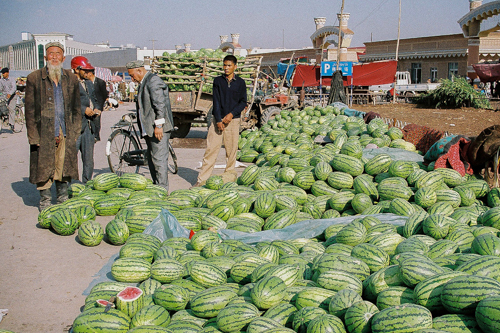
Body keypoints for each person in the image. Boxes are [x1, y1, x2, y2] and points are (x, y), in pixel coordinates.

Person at [24, 42, 81, 211]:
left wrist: (75, 130)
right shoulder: (34, 78)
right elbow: (29, 111)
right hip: (44, 132)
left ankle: (62, 199)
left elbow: (77, 107)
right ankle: (45, 201)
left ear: (63, 58)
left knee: (63, 165)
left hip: (65, 130)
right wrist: (34, 136)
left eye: (58, 54)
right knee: (44, 166)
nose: (54, 57)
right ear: (45, 57)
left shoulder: (71, 78)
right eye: (51, 54)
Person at [193, 55, 247, 187]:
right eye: (224, 65)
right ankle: (201, 180)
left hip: (233, 121)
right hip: (217, 121)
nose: (226, 68)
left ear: (235, 66)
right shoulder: (218, 81)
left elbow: (242, 102)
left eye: (229, 65)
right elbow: (216, 101)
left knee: (231, 152)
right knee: (211, 150)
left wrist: (231, 114)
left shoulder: (240, 82)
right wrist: (218, 119)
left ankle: (229, 180)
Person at [126, 60, 174, 190]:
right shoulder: (144, 82)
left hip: (158, 129)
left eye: (132, 75)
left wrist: (159, 126)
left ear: (140, 71)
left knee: (159, 161)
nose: (132, 78)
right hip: (149, 129)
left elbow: (160, 104)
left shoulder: (153, 81)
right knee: (153, 160)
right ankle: (157, 187)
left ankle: (163, 190)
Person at [71, 56, 99, 183]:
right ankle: (71, 186)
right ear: (76, 69)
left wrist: (98, 108)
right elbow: (66, 103)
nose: (87, 73)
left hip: (89, 126)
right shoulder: (69, 83)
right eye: (84, 70)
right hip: (75, 126)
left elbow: (95, 99)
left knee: (88, 159)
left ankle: (87, 183)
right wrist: (83, 109)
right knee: (71, 158)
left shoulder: (88, 83)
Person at [83, 67, 108, 142]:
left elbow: (104, 95)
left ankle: (96, 135)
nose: (85, 75)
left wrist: (99, 107)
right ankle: (91, 134)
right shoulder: (85, 82)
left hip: (98, 105)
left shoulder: (100, 82)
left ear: (90, 73)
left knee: (96, 120)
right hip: (90, 104)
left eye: (86, 73)